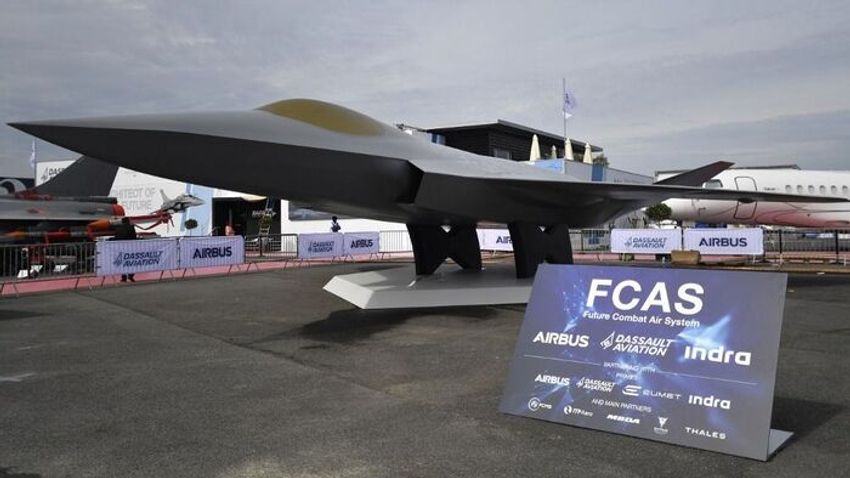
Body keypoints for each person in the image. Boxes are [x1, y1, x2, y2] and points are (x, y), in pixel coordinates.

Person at [112, 217, 138, 282]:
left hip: (121, 247)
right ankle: (131, 276)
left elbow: (116, 237)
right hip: (130, 247)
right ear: (128, 221)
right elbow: (134, 237)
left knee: (123, 262)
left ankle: (123, 277)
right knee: (131, 262)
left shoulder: (118, 228)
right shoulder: (131, 227)